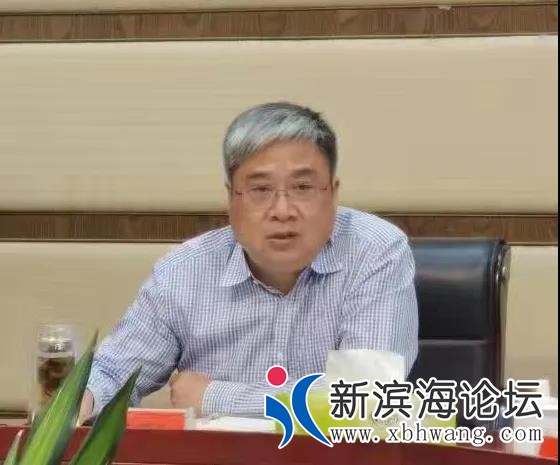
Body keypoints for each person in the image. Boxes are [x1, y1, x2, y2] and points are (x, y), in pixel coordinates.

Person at [80, 102, 418, 422]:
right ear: (231, 198)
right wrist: (82, 401)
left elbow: (366, 397)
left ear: (333, 192)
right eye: (260, 190)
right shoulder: (185, 271)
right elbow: (112, 372)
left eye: (302, 187)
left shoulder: (374, 251)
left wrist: (214, 396)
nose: (282, 211)